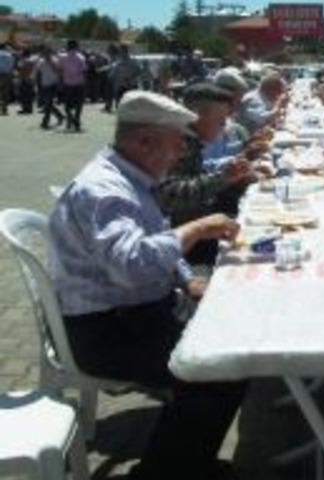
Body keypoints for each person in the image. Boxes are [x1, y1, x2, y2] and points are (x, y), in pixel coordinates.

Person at [49, 91, 247, 479]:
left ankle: (186, 460)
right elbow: (132, 266)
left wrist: (189, 280)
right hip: (108, 333)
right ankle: (165, 470)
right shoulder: (106, 190)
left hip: (133, 314)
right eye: (176, 145)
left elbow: (153, 241)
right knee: (223, 366)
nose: (177, 156)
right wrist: (196, 228)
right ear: (143, 141)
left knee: (231, 336)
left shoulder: (129, 178)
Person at [156, 83, 265, 266]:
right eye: (221, 120)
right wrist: (224, 178)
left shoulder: (191, 140)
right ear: (196, 115)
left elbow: (196, 176)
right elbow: (172, 195)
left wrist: (232, 175)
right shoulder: (178, 143)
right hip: (187, 240)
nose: (224, 126)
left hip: (196, 226)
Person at [59, 40, 87, 132]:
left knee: (67, 105)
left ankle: (71, 119)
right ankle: (76, 120)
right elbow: (84, 71)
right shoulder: (81, 57)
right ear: (77, 46)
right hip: (79, 84)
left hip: (67, 84)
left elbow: (60, 70)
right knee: (79, 105)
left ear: (68, 46)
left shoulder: (62, 57)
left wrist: (61, 81)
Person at [36, 46, 65, 129]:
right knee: (48, 103)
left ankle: (45, 121)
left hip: (53, 84)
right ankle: (60, 116)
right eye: (44, 52)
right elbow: (39, 71)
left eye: (47, 52)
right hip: (44, 84)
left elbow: (58, 71)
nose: (45, 54)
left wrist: (50, 62)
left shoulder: (55, 60)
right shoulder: (41, 61)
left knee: (48, 103)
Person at [16, 48, 37, 115]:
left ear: (24, 54)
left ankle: (25, 109)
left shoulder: (23, 61)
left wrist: (20, 77)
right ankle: (30, 109)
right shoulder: (32, 61)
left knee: (24, 95)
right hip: (31, 79)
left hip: (24, 79)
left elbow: (21, 70)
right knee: (29, 95)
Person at [0, 43, 12, 115]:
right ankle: (4, 110)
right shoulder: (9, 55)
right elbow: (11, 65)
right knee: (5, 93)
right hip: (6, 74)